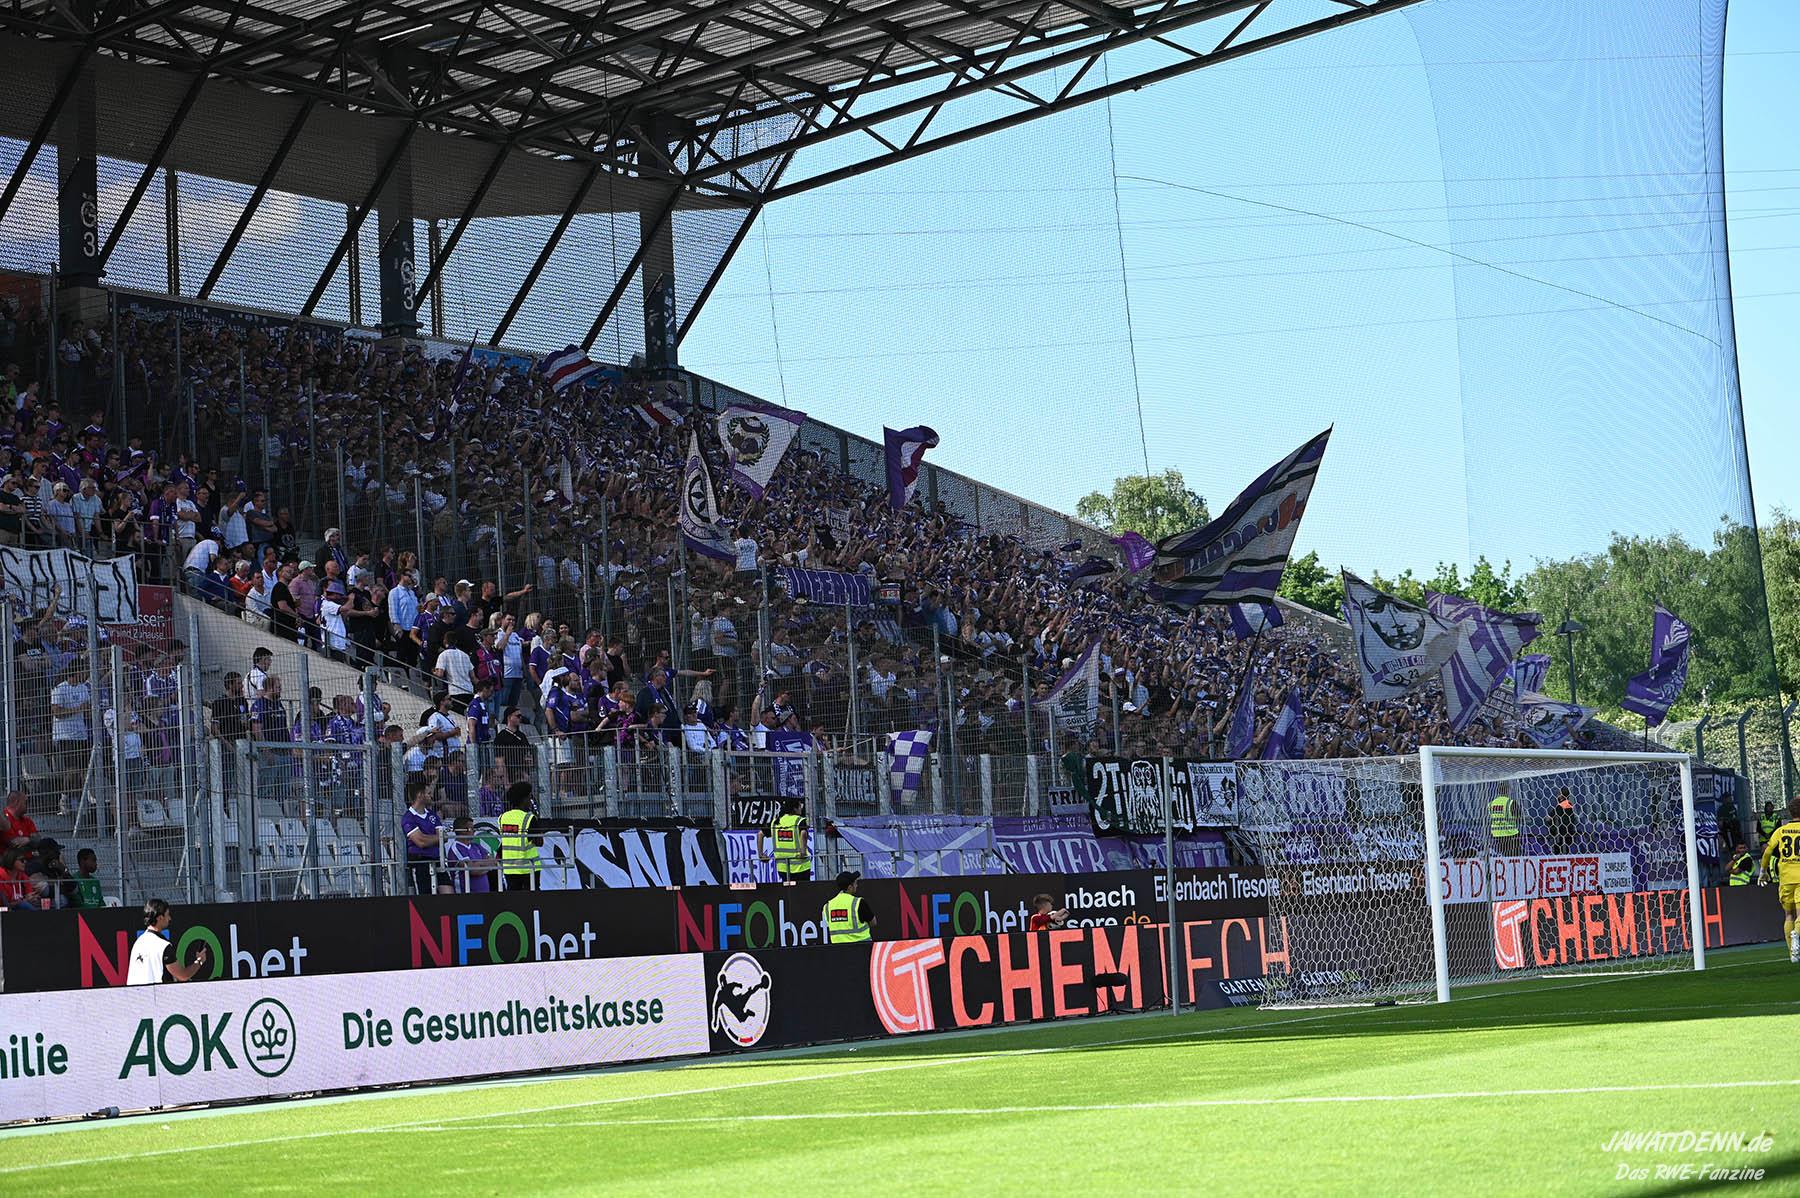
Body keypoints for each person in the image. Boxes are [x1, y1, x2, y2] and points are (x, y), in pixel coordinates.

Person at [127, 898, 210, 984]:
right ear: (160, 918)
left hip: (136, 996)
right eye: (167, 915)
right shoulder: (163, 946)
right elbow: (183, 976)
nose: (169, 918)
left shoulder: (138, 943)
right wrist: (199, 961)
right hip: (156, 996)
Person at [1757, 796, 1800, 963]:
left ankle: (1793, 953)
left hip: (1786, 878)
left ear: (1790, 812)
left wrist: (1763, 871)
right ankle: (1797, 934)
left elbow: (1767, 852)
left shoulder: (1781, 831)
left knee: (1788, 915)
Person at [402, 781, 443, 896]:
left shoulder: (432, 815)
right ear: (420, 795)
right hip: (420, 863)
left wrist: (426, 838)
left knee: (448, 893)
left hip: (438, 861)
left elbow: (443, 836)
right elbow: (420, 842)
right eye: (429, 793)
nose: (432, 796)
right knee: (426, 899)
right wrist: (435, 838)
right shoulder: (408, 818)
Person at [758, 794, 810, 883]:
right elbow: (803, 833)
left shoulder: (776, 822)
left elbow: (760, 834)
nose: (801, 808)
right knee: (802, 893)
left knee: (788, 892)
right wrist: (803, 851)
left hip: (782, 867)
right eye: (799, 806)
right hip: (800, 866)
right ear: (794, 808)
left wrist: (761, 854)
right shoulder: (799, 820)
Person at [498, 781, 540, 891]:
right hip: (529, 867)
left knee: (514, 901)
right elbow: (539, 842)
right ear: (524, 799)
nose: (531, 801)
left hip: (509, 868)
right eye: (530, 797)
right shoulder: (529, 818)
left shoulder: (502, 818)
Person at [824, 871, 873, 943]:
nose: (857, 886)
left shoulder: (827, 906)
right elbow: (873, 922)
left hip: (838, 950)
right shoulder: (858, 903)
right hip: (862, 947)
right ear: (850, 887)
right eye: (855, 883)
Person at [1488, 787, 1520, 856]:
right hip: (1510, 834)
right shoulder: (1511, 802)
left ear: (1498, 792)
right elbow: (1519, 816)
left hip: (1496, 834)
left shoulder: (1491, 804)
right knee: (1514, 856)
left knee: (1503, 855)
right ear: (1508, 791)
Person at [1545, 790, 1577, 855]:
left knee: (1560, 852)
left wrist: (1551, 825)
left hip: (1561, 834)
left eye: (1558, 793)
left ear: (1562, 795)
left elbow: (1548, 818)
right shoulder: (1568, 804)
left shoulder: (1563, 805)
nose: (1557, 795)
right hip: (1566, 833)